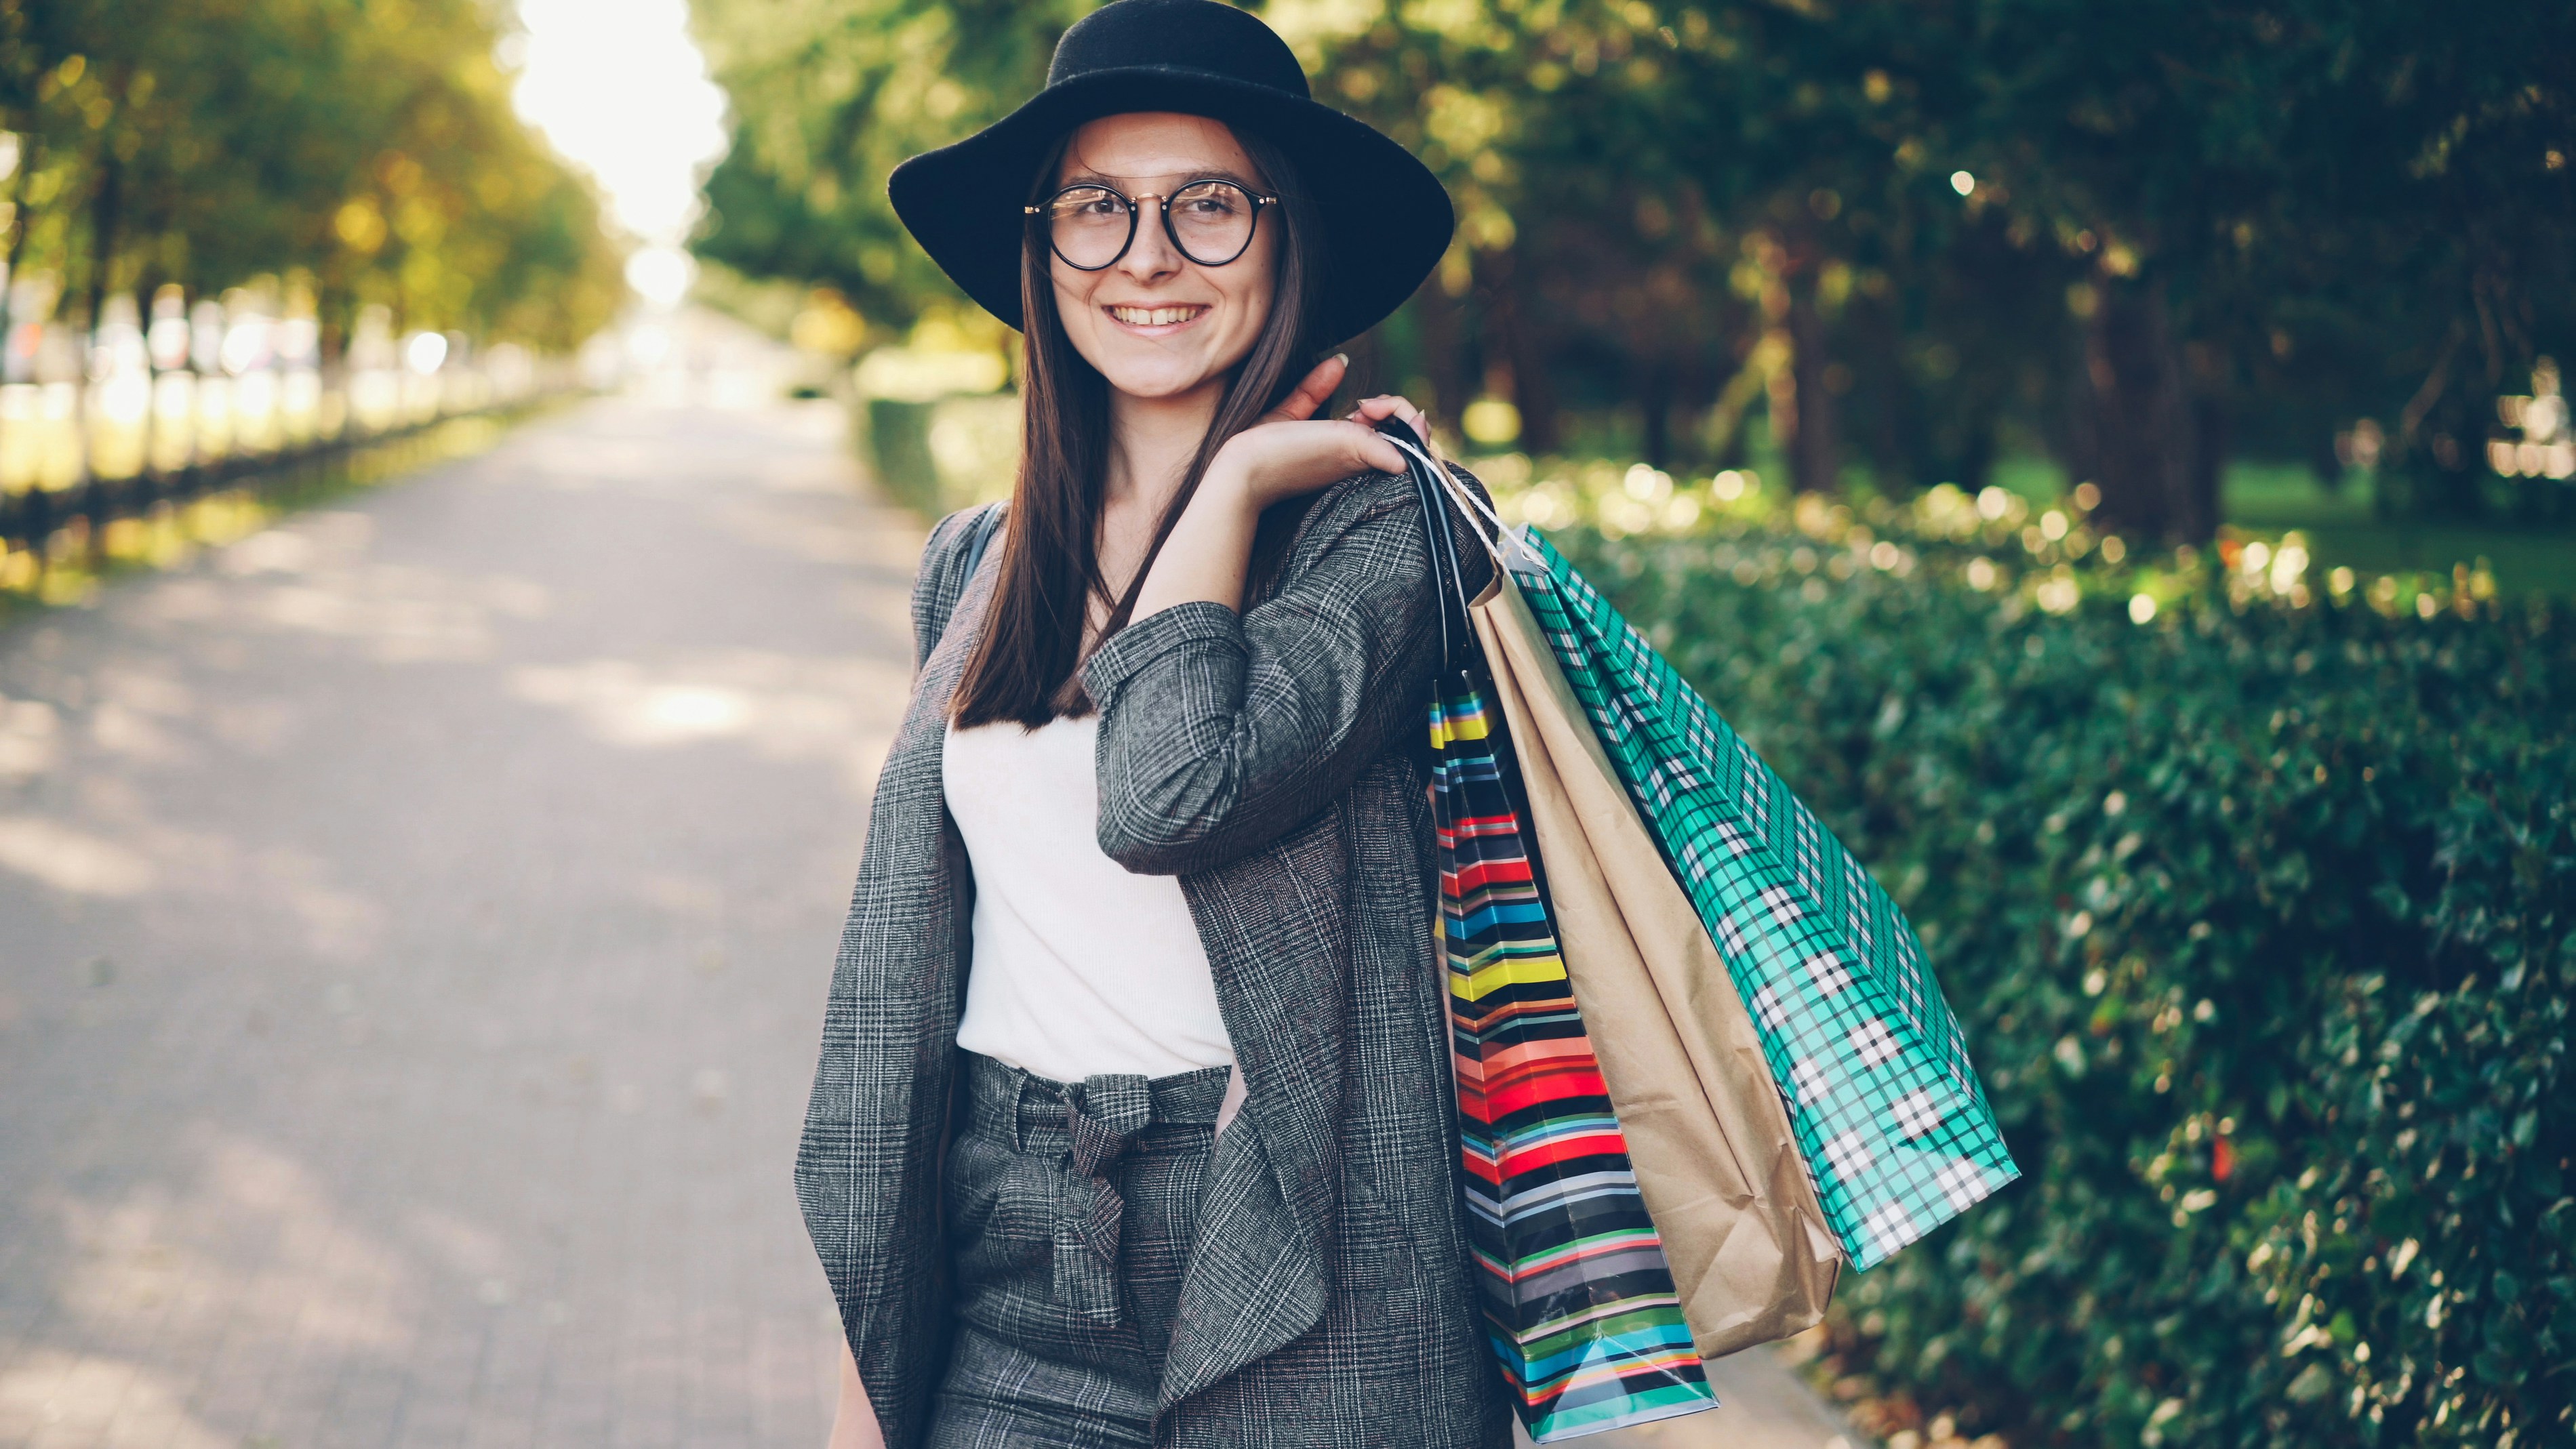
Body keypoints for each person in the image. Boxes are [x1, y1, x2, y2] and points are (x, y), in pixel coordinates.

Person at [796, 1, 1504, 1444]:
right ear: (1042, 246)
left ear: (1286, 234)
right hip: (1014, 1246)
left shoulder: (1374, 539)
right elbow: (932, 962)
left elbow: (1168, 791)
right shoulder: (974, 563)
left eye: (1208, 208)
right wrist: (869, 1355)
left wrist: (1237, 484)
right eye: (1097, 209)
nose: (1147, 256)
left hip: (1302, 1252)